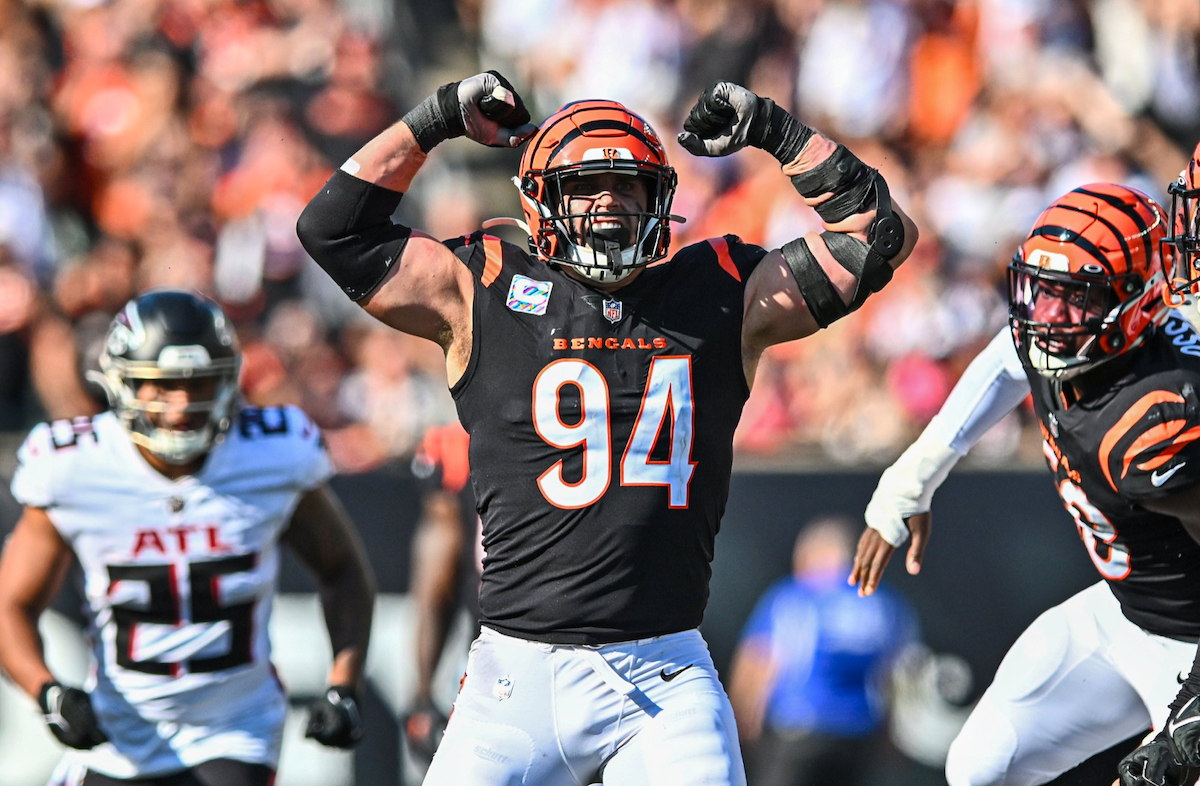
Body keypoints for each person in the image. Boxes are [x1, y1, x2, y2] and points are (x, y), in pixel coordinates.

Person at [296, 70, 919, 785]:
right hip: (514, 674)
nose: (609, 204)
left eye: (628, 186)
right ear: (540, 203)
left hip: (663, 673)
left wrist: (775, 131)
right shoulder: (483, 288)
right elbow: (331, 229)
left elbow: (881, 237)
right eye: (586, 186)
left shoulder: (717, 292)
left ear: (661, 201)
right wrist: (435, 117)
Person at [849, 182, 1200, 786]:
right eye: (1042, 293)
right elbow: (1001, 365)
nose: (1047, 317)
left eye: (1075, 299)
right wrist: (914, 478)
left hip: (1193, 645)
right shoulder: (1063, 340)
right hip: (1124, 612)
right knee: (978, 765)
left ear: (1137, 302)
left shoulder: (1160, 410)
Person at [0, 290, 377, 786]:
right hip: (117, 736)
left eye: (196, 383)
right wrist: (47, 692)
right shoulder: (75, 468)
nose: (180, 405)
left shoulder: (273, 455)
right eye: (161, 386)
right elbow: (11, 605)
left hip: (234, 730)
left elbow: (344, 572)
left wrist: (343, 684)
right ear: (122, 383)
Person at [728, 515, 916, 786]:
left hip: (799, 728)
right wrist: (891, 736)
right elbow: (897, 675)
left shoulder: (795, 595)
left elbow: (759, 658)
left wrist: (743, 720)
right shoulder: (885, 603)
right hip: (859, 733)